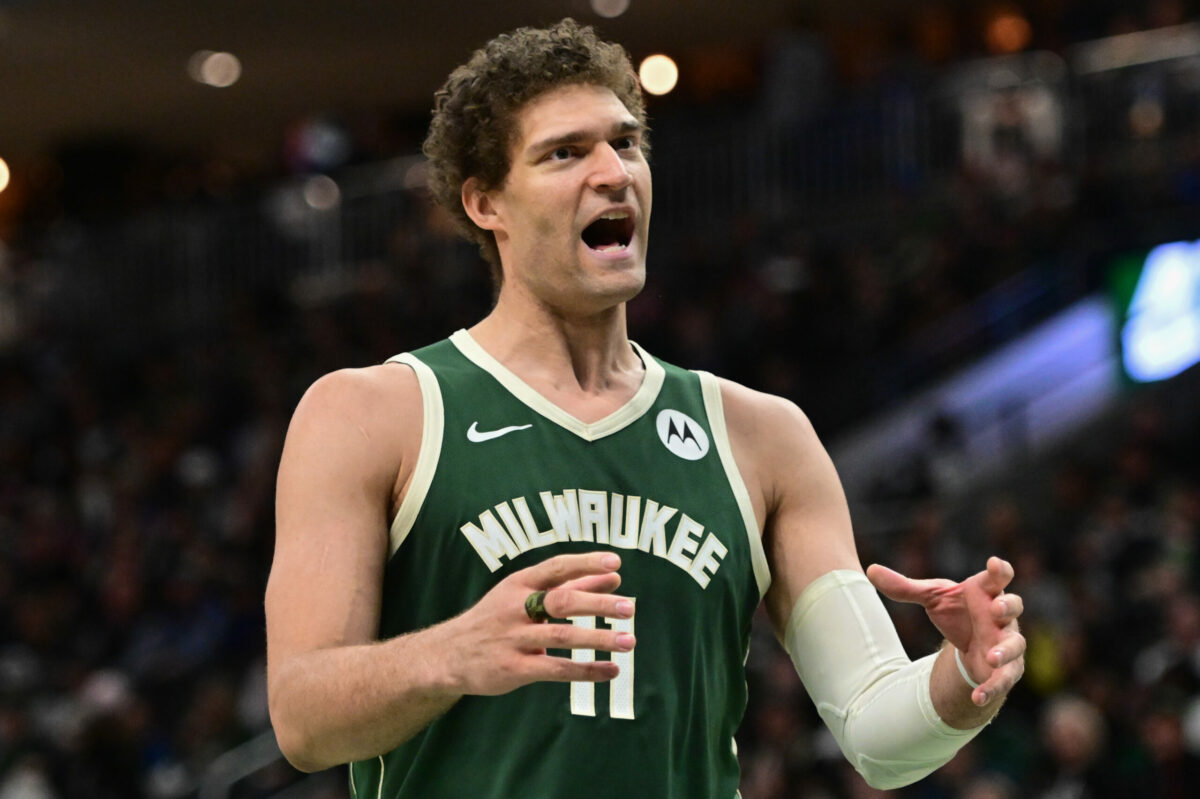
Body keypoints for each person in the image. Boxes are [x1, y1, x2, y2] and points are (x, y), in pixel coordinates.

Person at [264, 18, 1026, 799]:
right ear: (485, 201)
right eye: (565, 152)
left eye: (626, 144)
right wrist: (453, 653)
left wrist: (961, 673)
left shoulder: (762, 436)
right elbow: (301, 717)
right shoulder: (373, 415)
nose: (613, 172)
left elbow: (874, 729)